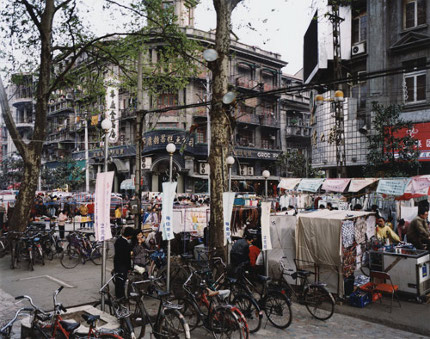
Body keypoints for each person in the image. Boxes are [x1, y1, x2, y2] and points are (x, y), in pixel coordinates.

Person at [114, 226, 134, 298]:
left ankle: (118, 295)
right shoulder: (125, 244)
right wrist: (129, 267)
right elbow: (127, 257)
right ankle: (121, 297)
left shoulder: (118, 240)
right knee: (122, 281)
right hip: (123, 265)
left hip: (117, 263)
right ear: (129, 235)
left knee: (118, 280)